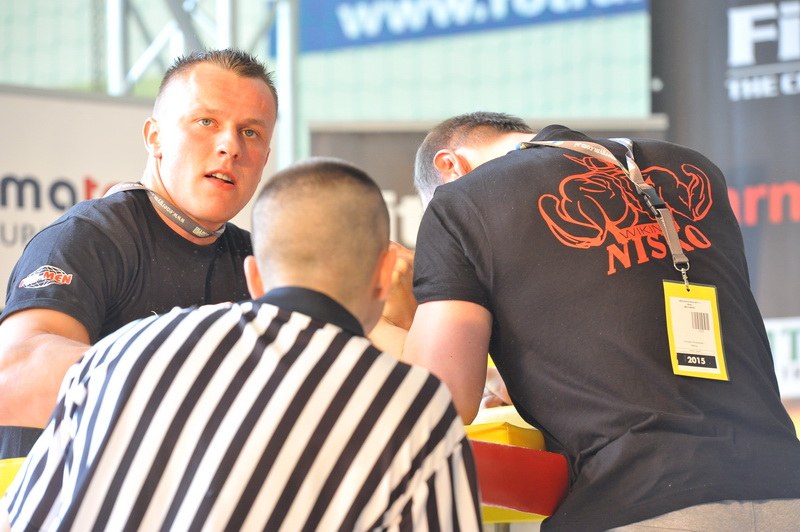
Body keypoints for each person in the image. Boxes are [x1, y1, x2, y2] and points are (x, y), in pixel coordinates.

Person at [0, 157, 481, 530]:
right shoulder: (412, 405)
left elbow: (24, 515)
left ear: (255, 277)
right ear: (385, 275)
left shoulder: (122, 351)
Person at [400, 114, 800, 530]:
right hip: (786, 487)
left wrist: (385, 321)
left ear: (450, 165)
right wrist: (514, 381)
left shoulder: (458, 202)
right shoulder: (692, 166)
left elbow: (438, 399)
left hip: (637, 502)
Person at [0, 49, 278, 459]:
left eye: (250, 132)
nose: (230, 146)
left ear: (266, 158)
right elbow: (14, 372)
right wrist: (190, 379)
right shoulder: (89, 237)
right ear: (154, 137)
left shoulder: (259, 262)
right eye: (207, 122)